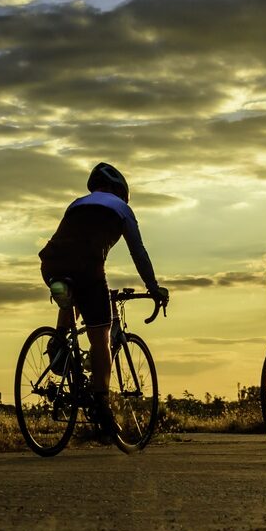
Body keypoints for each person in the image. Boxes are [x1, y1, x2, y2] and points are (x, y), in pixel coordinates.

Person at [38, 162, 169, 434]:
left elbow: (68, 241)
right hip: (87, 268)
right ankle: (102, 406)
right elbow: (139, 252)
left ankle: (59, 341)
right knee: (102, 338)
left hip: (51, 263)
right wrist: (153, 287)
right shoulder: (122, 209)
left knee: (71, 296)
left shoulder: (77, 203)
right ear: (120, 191)